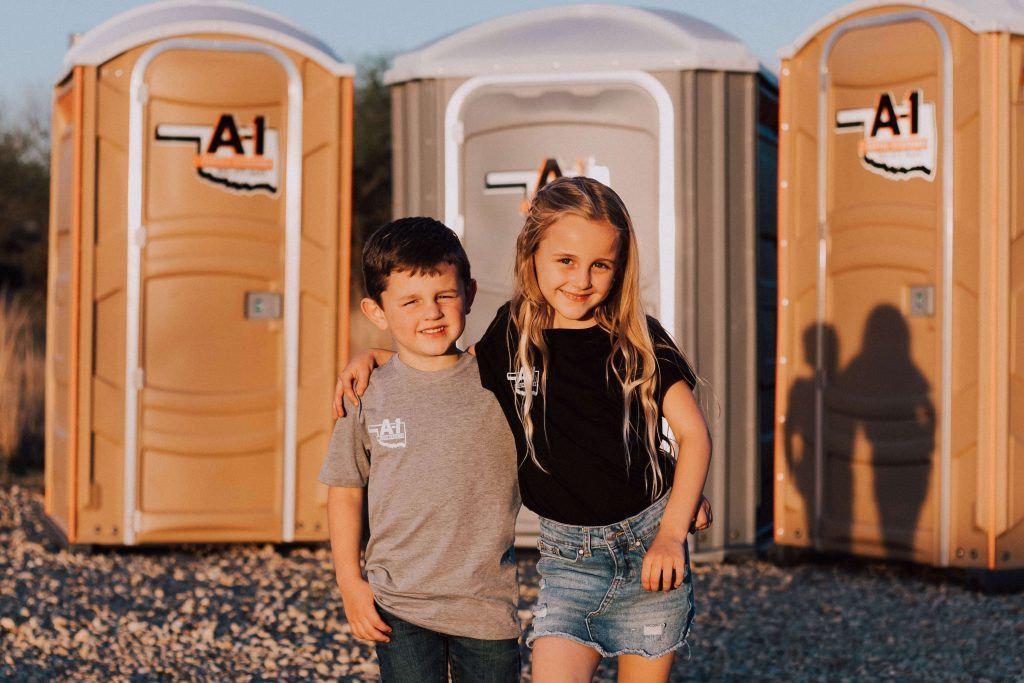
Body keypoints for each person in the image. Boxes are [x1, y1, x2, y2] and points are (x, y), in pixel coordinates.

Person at [337, 177, 713, 682]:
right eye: (565, 261)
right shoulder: (513, 331)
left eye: (600, 265)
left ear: (620, 266)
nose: (581, 279)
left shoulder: (640, 340)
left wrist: (673, 525)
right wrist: (379, 357)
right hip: (568, 560)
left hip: (649, 550)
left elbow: (692, 435)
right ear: (531, 254)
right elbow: (454, 367)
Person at [318, 217, 522, 683]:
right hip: (399, 603)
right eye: (410, 301)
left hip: (485, 602)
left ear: (468, 293)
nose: (431, 312)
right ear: (377, 312)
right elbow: (345, 489)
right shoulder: (365, 392)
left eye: (444, 296)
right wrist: (350, 584)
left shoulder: (500, 380)